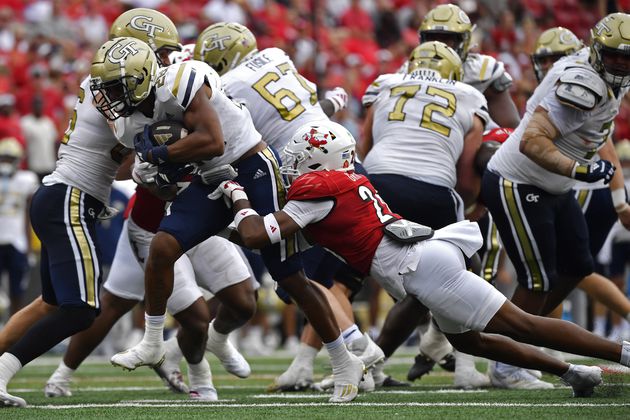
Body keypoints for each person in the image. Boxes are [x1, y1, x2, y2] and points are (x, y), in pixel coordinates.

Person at [217, 119, 630, 399]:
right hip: (421, 261)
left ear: (318, 160)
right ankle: (574, 373)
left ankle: (624, 353)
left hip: (422, 266)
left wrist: (235, 194)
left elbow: (257, 235)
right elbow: (294, 238)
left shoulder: (320, 191)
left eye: (298, 157)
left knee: (522, 325)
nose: (291, 167)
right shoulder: (343, 183)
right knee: (473, 341)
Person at [94, 36, 363, 402]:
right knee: (163, 245)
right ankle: (152, 341)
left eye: (114, 87)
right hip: (212, 179)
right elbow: (150, 169)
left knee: (290, 276)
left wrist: (157, 154)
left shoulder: (181, 80)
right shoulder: (130, 118)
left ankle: (344, 361)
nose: (107, 96)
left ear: (140, 77)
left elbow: (212, 141)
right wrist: (151, 172)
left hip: (251, 167)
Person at [194, 21, 383, 391]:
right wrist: (332, 102)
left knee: (299, 276)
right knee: (326, 278)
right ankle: (310, 363)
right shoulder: (276, 56)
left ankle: (359, 344)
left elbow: (242, 140)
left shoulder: (225, 86)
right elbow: (310, 105)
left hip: (306, 171)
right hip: (342, 157)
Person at [482, 13, 630, 389]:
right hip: (518, 181)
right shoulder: (582, 81)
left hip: (554, 186)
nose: (620, 64)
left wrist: (618, 199)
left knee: (577, 265)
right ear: (597, 50)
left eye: (627, 57)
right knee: (537, 280)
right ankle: (505, 361)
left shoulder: (600, 75)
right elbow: (533, 140)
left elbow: (597, 134)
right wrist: (579, 171)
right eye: (613, 56)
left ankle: (520, 337)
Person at [387, 3, 521, 385]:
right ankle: (430, 348)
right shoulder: (405, 73)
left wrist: (479, 180)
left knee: (472, 264)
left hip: (468, 173)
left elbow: (509, 130)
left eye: (450, 38)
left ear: (466, 42)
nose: (442, 45)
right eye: (435, 38)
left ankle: (449, 354)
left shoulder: (483, 72)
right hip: (432, 174)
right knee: (427, 272)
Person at [359, 41, 490, 388]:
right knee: (458, 275)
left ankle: (369, 362)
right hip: (433, 188)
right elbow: (466, 171)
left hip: (375, 182)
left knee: (358, 280)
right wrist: (475, 203)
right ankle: (461, 365)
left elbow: (362, 146)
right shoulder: (467, 95)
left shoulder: (386, 83)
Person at [0, 138, 39, 316]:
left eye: (10, 158)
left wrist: (30, 248)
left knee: (18, 292)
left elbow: (28, 215)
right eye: (4, 158)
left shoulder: (26, 179)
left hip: (18, 242)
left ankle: (14, 328)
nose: (6, 163)